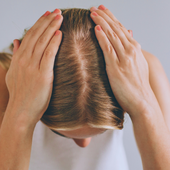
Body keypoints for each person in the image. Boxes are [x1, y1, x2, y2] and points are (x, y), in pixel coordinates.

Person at [0, 4, 170, 170]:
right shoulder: (4, 82)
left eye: (103, 132)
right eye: (58, 132)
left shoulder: (143, 73)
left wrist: (143, 106)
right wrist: (20, 114)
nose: (85, 144)